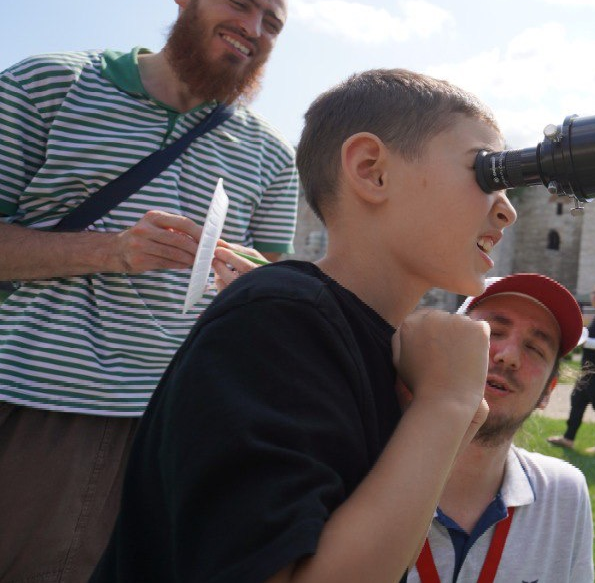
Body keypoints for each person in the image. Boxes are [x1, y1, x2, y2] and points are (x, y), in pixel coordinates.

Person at [90, 69, 516, 582]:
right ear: (372, 170)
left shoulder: (366, 342)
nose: (507, 211)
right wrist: (444, 404)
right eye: (487, 172)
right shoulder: (278, 319)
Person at [0, 0, 299, 582]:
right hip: (37, 404)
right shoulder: (48, 85)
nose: (253, 29)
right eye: (237, 4)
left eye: (271, 23)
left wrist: (253, 285)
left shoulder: (273, 155)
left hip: (176, 425)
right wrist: (108, 249)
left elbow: (273, 284)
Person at [408, 273, 593, 583]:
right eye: (492, 332)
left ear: (548, 392)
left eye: (535, 348)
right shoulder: (361, 476)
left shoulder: (564, 495)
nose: (508, 357)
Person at [548, 281, 595, 454]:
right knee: (577, 401)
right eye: (593, 293)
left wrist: (584, 340)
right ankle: (568, 438)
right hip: (589, 372)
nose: (593, 296)